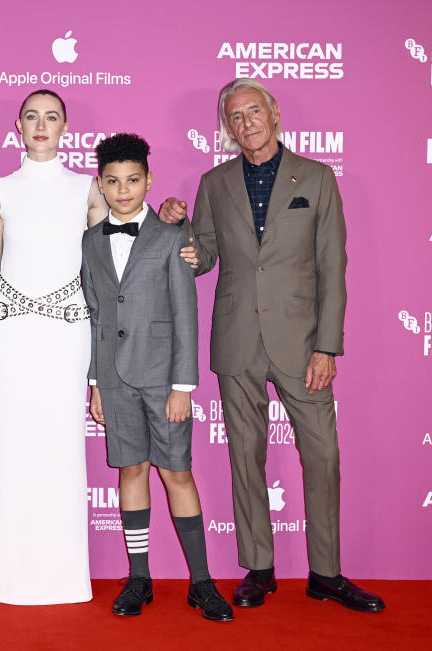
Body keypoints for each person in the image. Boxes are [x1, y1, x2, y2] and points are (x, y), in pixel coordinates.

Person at [160, 78, 385, 612]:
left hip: (302, 341)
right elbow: (205, 256)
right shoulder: (214, 183)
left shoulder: (317, 177)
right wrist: (179, 228)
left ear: (274, 113)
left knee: (323, 456)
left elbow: (334, 267)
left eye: (253, 111)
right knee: (244, 456)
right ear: (227, 128)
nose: (246, 123)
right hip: (237, 338)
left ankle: (326, 573)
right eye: (234, 117)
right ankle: (258, 567)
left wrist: (327, 346)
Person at [81, 133, 233, 621]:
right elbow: (95, 313)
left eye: (132, 180)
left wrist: (182, 386)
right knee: (132, 471)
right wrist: (96, 383)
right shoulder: (88, 240)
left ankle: (202, 582)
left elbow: (186, 312)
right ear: (100, 185)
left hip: (164, 379)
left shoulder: (172, 237)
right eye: (112, 181)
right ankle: (139, 578)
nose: (123, 190)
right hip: (114, 378)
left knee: (178, 472)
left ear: (148, 180)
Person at [0, 90, 108, 605]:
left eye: (52, 117)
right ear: (18, 125)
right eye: (32, 116)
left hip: (67, 331)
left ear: (66, 127)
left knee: (60, 445)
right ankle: (4, 577)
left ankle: (63, 576)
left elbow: (109, 262)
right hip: (11, 330)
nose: (41, 125)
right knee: (9, 444)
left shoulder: (87, 190)